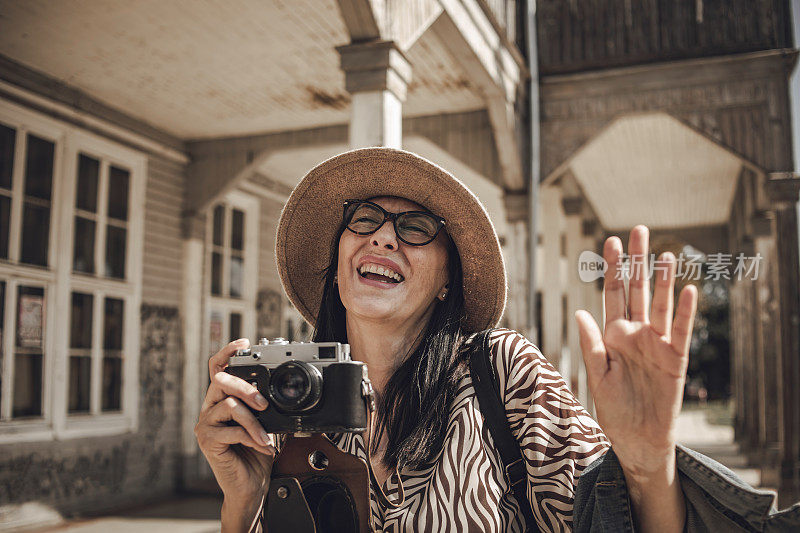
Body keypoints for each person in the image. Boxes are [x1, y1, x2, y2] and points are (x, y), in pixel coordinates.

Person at [194, 148, 800, 532]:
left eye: (414, 228)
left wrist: (647, 468)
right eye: (365, 220)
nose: (383, 238)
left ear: (446, 279)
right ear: (336, 260)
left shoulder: (499, 373)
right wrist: (242, 503)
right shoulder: (285, 404)